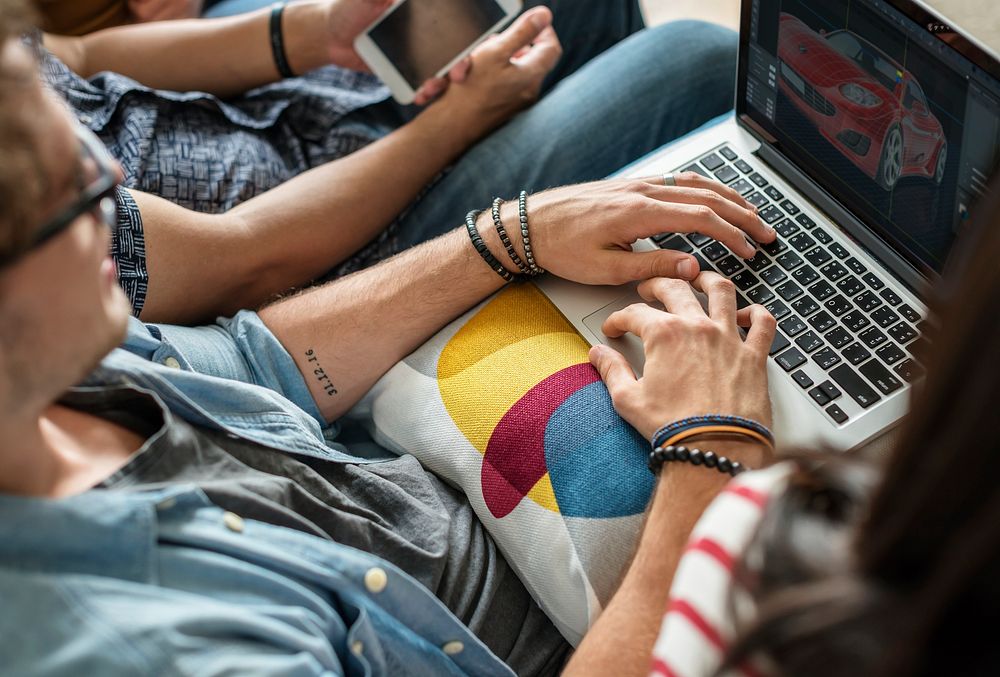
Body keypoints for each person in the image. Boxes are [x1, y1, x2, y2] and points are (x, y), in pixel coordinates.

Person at [0, 0, 776, 672]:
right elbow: (244, 257)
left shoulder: (61, 379)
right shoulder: (154, 647)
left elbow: (251, 361)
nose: (112, 179)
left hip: (422, 464)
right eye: (76, 192)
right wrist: (711, 451)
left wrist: (513, 233)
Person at [30, 0, 736, 326]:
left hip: (305, 105)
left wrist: (318, 33)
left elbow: (85, 57)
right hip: (352, 248)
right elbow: (248, 256)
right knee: (697, 58)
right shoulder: (39, 218)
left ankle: (633, 173)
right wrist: (460, 121)